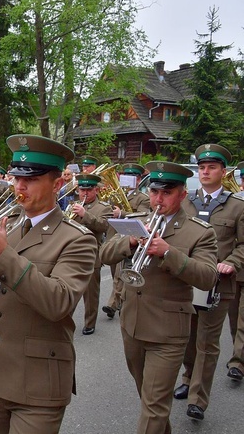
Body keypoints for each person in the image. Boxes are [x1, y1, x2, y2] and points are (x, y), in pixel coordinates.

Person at [0, 134, 97, 433]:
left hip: (38, 382)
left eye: (31, 179)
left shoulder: (78, 239)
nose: (19, 186)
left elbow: (58, 303)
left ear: (56, 185)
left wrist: (3, 253)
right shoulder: (9, 226)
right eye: (16, 178)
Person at [101, 161, 218, 434]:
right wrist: (128, 242)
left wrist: (168, 253)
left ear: (182, 194)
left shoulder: (200, 232)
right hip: (131, 324)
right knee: (150, 398)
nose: (158, 199)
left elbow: (207, 276)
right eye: (154, 192)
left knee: (154, 405)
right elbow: (103, 255)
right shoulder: (134, 222)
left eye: (166, 193)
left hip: (168, 332)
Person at [173, 144, 244, 421]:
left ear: (222, 171)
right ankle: (189, 377)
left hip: (219, 283)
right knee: (187, 337)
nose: (205, 172)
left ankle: (198, 399)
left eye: (211, 167)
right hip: (187, 280)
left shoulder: (237, 206)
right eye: (201, 167)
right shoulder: (185, 201)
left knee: (208, 342)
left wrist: (233, 262)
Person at [103, 163, 151, 318]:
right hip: (115, 236)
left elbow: (142, 217)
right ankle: (121, 299)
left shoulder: (143, 198)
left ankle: (113, 303)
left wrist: (122, 213)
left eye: (134, 177)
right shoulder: (115, 194)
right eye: (127, 175)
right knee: (115, 273)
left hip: (131, 238)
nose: (130, 179)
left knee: (119, 273)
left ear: (138, 180)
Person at [70, 174, 113, 335]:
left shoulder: (104, 207)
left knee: (91, 293)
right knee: (69, 290)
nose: (85, 193)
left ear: (96, 189)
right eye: (82, 190)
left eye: (88, 189)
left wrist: (84, 214)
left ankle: (90, 323)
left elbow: (104, 226)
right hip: (72, 254)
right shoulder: (73, 205)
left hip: (91, 253)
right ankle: (65, 321)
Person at [226, 161, 244, 382]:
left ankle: (238, 361)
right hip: (233, 269)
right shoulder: (235, 202)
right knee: (233, 317)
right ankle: (238, 353)